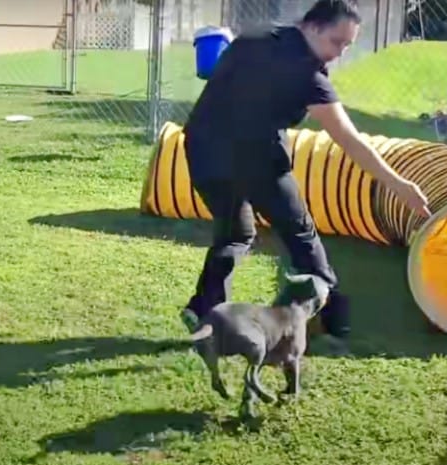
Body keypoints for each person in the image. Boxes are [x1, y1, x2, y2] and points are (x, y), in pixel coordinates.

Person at [179, 0, 431, 345]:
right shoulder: (308, 76)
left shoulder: (255, 37)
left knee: (234, 233)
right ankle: (333, 321)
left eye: (346, 45)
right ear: (312, 27)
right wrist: (398, 185)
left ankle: (205, 311)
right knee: (301, 236)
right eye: (335, 41)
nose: (339, 52)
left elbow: (221, 76)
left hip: (203, 148)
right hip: (256, 158)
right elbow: (349, 140)